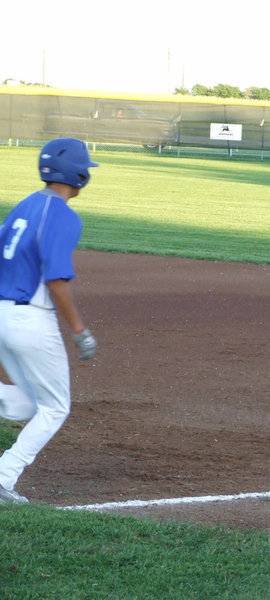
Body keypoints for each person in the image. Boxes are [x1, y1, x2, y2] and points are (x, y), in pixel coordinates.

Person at [0, 138, 98, 504]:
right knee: (55, 407)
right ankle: (3, 476)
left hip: (3, 314)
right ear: (78, 173)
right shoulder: (62, 215)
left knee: (27, 404)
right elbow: (56, 278)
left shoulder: (24, 206)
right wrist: (79, 332)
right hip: (31, 319)